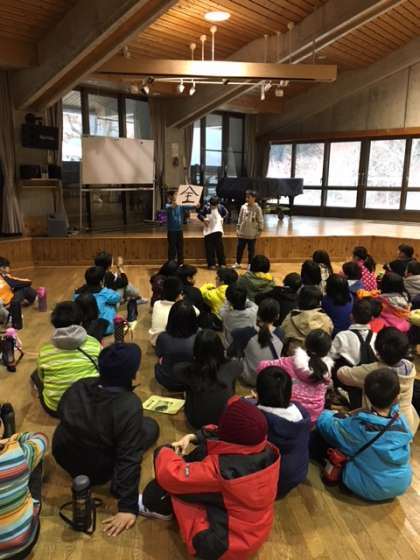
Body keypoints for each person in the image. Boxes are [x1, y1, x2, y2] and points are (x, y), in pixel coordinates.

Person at [138, 396, 280, 560]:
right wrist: (194, 437)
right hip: (252, 531)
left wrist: (165, 449)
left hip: (222, 546)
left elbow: (171, 475)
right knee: (199, 459)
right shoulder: (264, 448)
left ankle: (159, 510)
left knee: (159, 491)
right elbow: (222, 433)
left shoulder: (223, 470)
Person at [52, 343, 160, 537]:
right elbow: (129, 456)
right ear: (132, 375)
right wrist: (127, 507)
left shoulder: (80, 385)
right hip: (98, 469)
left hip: (64, 455)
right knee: (151, 427)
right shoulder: (130, 404)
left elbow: (62, 413)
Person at [315, 368, 412, 502]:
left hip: (370, 487)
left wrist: (327, 413)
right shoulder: (402, 420)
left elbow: (326, 426)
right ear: (396, 397)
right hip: (401, 484)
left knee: (319, 439)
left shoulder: (360, 427)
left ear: (366, 395)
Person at [337, 327, 419, 434]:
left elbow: (342, 375)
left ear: (377, 350)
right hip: (407, 422)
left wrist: (343, 366)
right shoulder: (410, 367)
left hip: (382, 425)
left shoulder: (374, 371)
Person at [33, 302, 101, 417]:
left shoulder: (45, 351)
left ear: (55, 324)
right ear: (81, 322)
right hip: (89, 406)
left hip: (56, 408)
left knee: (35, 375)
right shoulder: (94, 344)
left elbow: (42, 377)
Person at [255, 365, 311, 498]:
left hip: (271, 482)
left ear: (258, 391)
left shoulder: (258, 420)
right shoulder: (301, 412)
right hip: (296, 475)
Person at [257, 329, 333, 425]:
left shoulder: (290, 362)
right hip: (313, 419)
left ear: (305, 343)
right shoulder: (326, 372)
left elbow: (261, 366)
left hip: (289, 415)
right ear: (326, 351)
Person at [172, 330, 242, 428]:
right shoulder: (235, 365)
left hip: (197, 422)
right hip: (225, 420)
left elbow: (176, 369)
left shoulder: (188, 371)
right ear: (220, 348)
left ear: (196, 350)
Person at [0, 426, 47, 559]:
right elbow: (42, 438)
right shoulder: (20, 451)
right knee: (35, 457)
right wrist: (16, 437)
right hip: (23, 546)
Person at [228, 298, 284, 386]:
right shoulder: (281, 333)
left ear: (257, 314)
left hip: (250, 379)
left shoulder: (247, 332)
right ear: (277, 316)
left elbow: (233, 334)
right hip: (269, 380)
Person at [155, 301, 199, 391]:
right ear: (193, 318)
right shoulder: (200, 336)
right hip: (193, 382)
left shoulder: (163, 337)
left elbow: (159, 355)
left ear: (171, 318)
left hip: (168, 381)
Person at [281, 286, 334, 353]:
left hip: (293, 356)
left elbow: (283, 337)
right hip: (317, 356)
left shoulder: (290, 318)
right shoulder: (326, 320)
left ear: (299, 299)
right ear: (319, 302)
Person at [73, 266, 120, 335]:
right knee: (112, 302)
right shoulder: (105, 292)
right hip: (106, 329)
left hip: (83, 328)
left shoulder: (77, 293)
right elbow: (117, 298)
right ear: (102, 280)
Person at [329, 299, 377, 367]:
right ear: (372, 319)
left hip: (347, 372)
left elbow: (330, 356)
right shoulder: (377, 338)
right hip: (374, 373)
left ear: (351, 316)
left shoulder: (342, 336)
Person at [0, 257, 37, 330]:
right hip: (8, 305)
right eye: (8, 266)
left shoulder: (5, 276)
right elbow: (24, 282)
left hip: (6, 304)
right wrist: (28, 281)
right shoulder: (5, 277)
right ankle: (12, 319)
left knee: (22, 287)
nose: (9, 268)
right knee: (25, 288)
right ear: (2, 268)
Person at [233, 190, 264, 268]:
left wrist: (260, 230)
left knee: (251, 250)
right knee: (239, 248)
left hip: (252, 233)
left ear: (254, 198)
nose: (247, 199)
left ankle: (250, 264)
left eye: (248, 197)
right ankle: (237, 263)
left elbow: (260, 220)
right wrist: (238, 228)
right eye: (246, 197)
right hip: (242, 232)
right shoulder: (243, 207)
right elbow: (240, 218)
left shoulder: (257, 208)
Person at [197, 196, 228, 269]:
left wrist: (223, 219)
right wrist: (204, 219)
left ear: (217, 204)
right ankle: (211, 264)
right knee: (209, 248)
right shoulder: (206, 207)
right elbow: (199, 215)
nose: (212, 207)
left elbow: (226, 213)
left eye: (214, 206)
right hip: (208, 230)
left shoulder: (221, 207)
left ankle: (222, 263)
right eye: (211, 205)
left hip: (218, 229)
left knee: (219, 248)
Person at [166, 190, 186, 265]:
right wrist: (175, 202)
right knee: (172, 248)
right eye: (176, 195)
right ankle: (171, 264)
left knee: (180, 247)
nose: (177, 196)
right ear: (171, 197)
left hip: (180, 230)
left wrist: (196, 205)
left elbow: (191, 205)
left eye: (178, 194)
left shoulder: (181, 205)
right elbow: (172, 206)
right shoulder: (167, 205)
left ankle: (181, 263)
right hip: (171, 231)